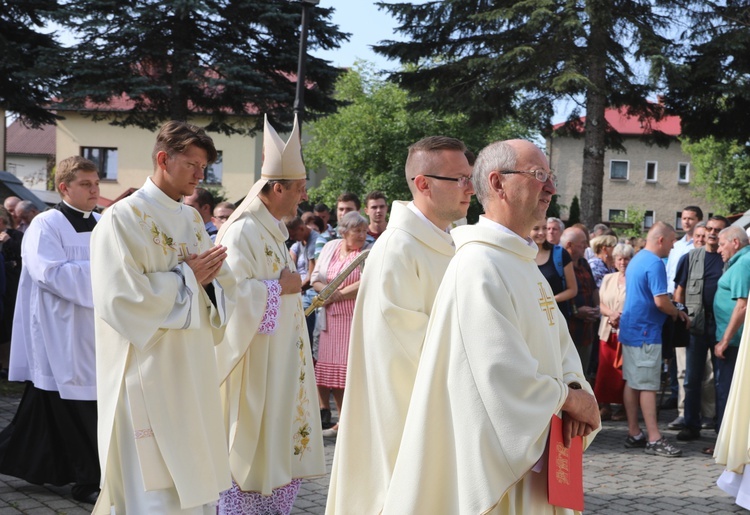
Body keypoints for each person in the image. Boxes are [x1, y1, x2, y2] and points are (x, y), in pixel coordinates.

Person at [381, 139, 600, 513]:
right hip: (504, 474)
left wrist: (577, 390)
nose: (551, 187)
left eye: (550, 176)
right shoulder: (479, 266)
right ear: (498, 184)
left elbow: (558, 347)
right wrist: (569, 399)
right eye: (539, 175)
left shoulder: (521, 262)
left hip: (543, 451)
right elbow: (499, 375)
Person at [91, 121, 236, 514]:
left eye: (203, 167)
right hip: (147, 368)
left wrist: (206, 283)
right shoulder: (122, 218)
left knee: (192, 469)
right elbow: (119, 299)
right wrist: (188, 277)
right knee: (154, 488)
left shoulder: (191, 220)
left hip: (190, 367)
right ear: (162, 159)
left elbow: (219, 285)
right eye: (191, 164)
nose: (199, 175)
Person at [326, 135, 474, 514]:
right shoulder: (398, 249)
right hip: (407, 416)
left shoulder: (448, 242)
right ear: (423, 183)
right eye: (459, 179)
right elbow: (405, 349)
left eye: (469, 177)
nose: (470, 188)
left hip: (443, 408)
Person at [214, 115, 324, 514]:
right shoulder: (244, 230)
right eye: (298, 189)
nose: (303, 197)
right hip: (253, 368)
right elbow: (231, 299)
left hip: (278, 364)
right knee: (251, 450)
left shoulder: (271, 228)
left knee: (277, 445)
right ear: (276, 187)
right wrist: (281, 288)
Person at [0, 156, 102, 504]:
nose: (95, 190)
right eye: (86, 184)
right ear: (64, 187)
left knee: (46, 412)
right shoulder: (47, 224)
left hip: (96, 330)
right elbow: (52, 274)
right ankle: (89, 479)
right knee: (75, 404)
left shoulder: (104, 223)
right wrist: (107, 276)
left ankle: (54, 468)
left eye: (96, 183)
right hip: (59, 332)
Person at [619, 222, 689, 458]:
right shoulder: (655, 263)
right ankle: (654, 438)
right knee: (648, 386)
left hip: (632, 330)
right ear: (661, 240)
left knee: (632, 381)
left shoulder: (638, 258)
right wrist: (676, 311)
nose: (672, 247)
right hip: (646, 333)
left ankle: (634, 432)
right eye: (671, 242)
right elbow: (660, 302)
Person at [310, 212, 370, 439]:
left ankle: (350, 421)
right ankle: (341, 421)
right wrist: (323, 292)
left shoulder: (367, 252)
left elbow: (367, 280)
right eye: (358, 231)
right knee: (331, 374)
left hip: (351, 318)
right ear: (344, 232)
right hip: (329, 319)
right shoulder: (330, 248)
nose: (363, 235)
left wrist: (338, 294)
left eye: (364, 231)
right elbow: (316, 276)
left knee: (348, 373)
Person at [673, 216, 728, 442]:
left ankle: (721, 428)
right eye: (710, 229)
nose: (713, 233)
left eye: (718, 230)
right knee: (691, 379)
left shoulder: (729, 259)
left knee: (721, 381)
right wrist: (680, 313)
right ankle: (690, 425)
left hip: (722, 328)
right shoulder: (691, 257)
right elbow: (679, 291)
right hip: (695, 326)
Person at [665, 206, 703, 430]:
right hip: (675, 301)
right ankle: (678, 404)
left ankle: (700, 411)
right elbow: (672, 276)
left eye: (691, 219)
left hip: (696, 309)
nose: (686, 222)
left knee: (697, 367)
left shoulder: (699, 247)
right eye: (684, 218)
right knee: (678, 363)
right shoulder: (677, 246)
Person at [712, 226, 750, 436]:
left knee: (728, 391)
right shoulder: (740, 262)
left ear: (735, 242)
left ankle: (726, 441)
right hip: (734, 340)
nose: (718, 249)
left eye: (722, 243)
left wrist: (725, 340)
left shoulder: (744, 263)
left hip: (735, 342)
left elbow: (742, 306)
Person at [596, 243, 634, 421]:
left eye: (627, 258)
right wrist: (611, 313)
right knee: (605, 369)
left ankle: (625, 407)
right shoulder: (608, 278)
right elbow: (600, 302)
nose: (623, 262)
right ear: (615, 260)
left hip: (626, 331)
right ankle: (605, 405)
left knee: (623, 371)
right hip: (607, 330)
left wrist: (623, 316)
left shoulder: (635, 279)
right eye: (619, 258)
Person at [561, 227, 600, 372]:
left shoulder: (583, 263)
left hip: (587, 331)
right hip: (570, 330)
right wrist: (576, 311)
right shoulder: (559, 265)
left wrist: (597, 308)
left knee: (582, 373)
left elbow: (593, 288)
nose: (586, 246)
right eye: (582, 243)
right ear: (569, 245)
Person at [531, 218, 577, 321]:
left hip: (557, 316)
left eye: (544, 228)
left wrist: (548, 302)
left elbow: (572, 289)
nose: (541, 233)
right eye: (536, 229)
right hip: (531, 317)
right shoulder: (520, 255)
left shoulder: (560, 254)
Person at [286, 215, 319, 346]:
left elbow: (311, 278)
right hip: (301, 290)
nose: (292, 239)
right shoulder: (300, 243)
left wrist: (294, 289)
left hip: (312, 293)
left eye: (293, 235)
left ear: (301, 228)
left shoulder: (314, 242)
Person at [0, 207, 23, 374]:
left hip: (11, 288)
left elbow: (23, 256)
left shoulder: (15, 236)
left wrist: (8, 242)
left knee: (7, 325)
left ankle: (7, 365)